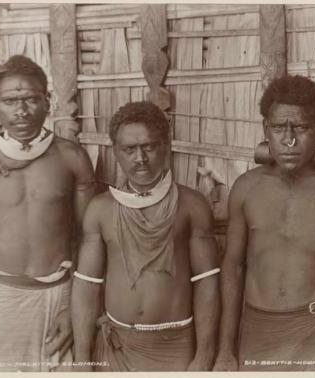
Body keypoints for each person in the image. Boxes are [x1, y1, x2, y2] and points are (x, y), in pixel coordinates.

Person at [213, 75, 315, 371]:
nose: (288, 139)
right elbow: (232, 268)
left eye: (300, 128)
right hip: (259, 330)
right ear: (266, 129)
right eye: (278, 128)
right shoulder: (246, 189)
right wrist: (225, 349)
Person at [0, 55, 96, 372]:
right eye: (11, 100)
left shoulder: (73, 159)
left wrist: (73, 307)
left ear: (48, 101)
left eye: (31, 99)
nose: (22, 111)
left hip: (59, 295)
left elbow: (89, 239)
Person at [71, 101, 220, 371]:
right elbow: (86, 286)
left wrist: (204, 355)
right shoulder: (101, 209)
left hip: (174, 346)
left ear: (166, 146)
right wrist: (82, 359)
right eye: (129, 149)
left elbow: (207, 283)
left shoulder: (191, 205)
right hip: (115, 347)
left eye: (149, 147)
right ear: (115, 151)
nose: (140, 158)